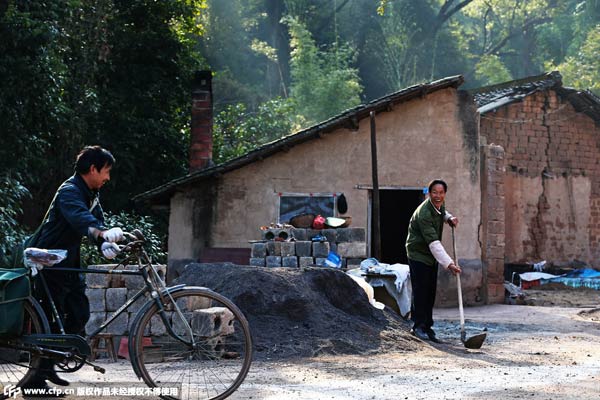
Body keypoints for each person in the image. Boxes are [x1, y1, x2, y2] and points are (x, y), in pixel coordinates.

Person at [21, 146, 124, 396]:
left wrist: (104, 243)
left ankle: (47, 364)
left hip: (69, 262)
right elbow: (80, 219)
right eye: (106, 172)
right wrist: (100, 233)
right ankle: (35, 381)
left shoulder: (90, 192)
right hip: (50, 262)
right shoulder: (70, 191)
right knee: (49, 321)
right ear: (93, 169)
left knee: (79, 314)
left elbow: (95, 222)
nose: (107, 178)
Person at [405, 179, 461, 343]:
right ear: (429, 194)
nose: (438, 196)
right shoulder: (424, 214)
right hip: (418, 253)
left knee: (430, 291)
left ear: (444, 194)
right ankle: (417, 326)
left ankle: (427, 326)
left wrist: (449, 218)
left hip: (430, 255)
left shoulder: (438, 205)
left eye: (441, 192)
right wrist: (449, 263)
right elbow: (434, 243)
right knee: (421, 290)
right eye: (434, 193)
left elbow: (442, 212)